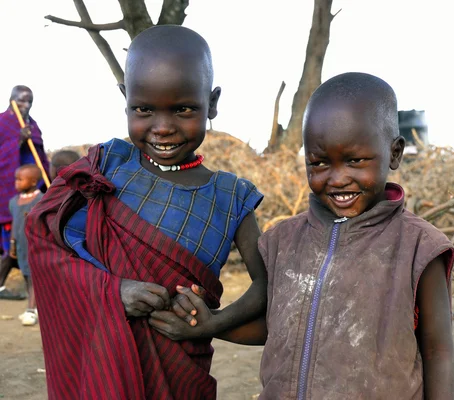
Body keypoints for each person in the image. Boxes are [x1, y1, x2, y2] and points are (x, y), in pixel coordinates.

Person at [175, 72, 454, 399]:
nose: (337, 179)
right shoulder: (283, 241)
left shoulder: (419, 249)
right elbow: (279, 326)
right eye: (319, 163)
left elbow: (439, 352)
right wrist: (214, 324)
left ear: (394, 154)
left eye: (355, 160)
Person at [26, 25, 267, 399]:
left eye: (184, 109)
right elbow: (43, 240)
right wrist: (113, 290)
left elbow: (268, 285)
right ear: (125, 98)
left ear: (213, 102)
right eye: (144, 109)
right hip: (101, 365)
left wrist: (211, 324)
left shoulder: (232, 196)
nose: (163, 127)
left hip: (180, 375)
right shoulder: (106, 167)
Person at [0, 86, 49, 299]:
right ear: (12, 101)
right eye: (21, 101)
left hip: (34, 192)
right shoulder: (2, 123)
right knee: (11, 243)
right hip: (10, 194)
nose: (26, 106)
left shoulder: (33, 125)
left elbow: (39, 157)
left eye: (29, 101)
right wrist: (17, 141)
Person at [8, 165, 44, 325]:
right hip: (21, 246)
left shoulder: (41, 200)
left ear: (33, 181)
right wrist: (12, 243)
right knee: (26, 275)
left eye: (20, 179)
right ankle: (35, 307)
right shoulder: (14, 202)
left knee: (35, 279)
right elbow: (15, 224)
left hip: (36, 246)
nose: (16, 182)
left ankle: (31, 310)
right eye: (16, 179)